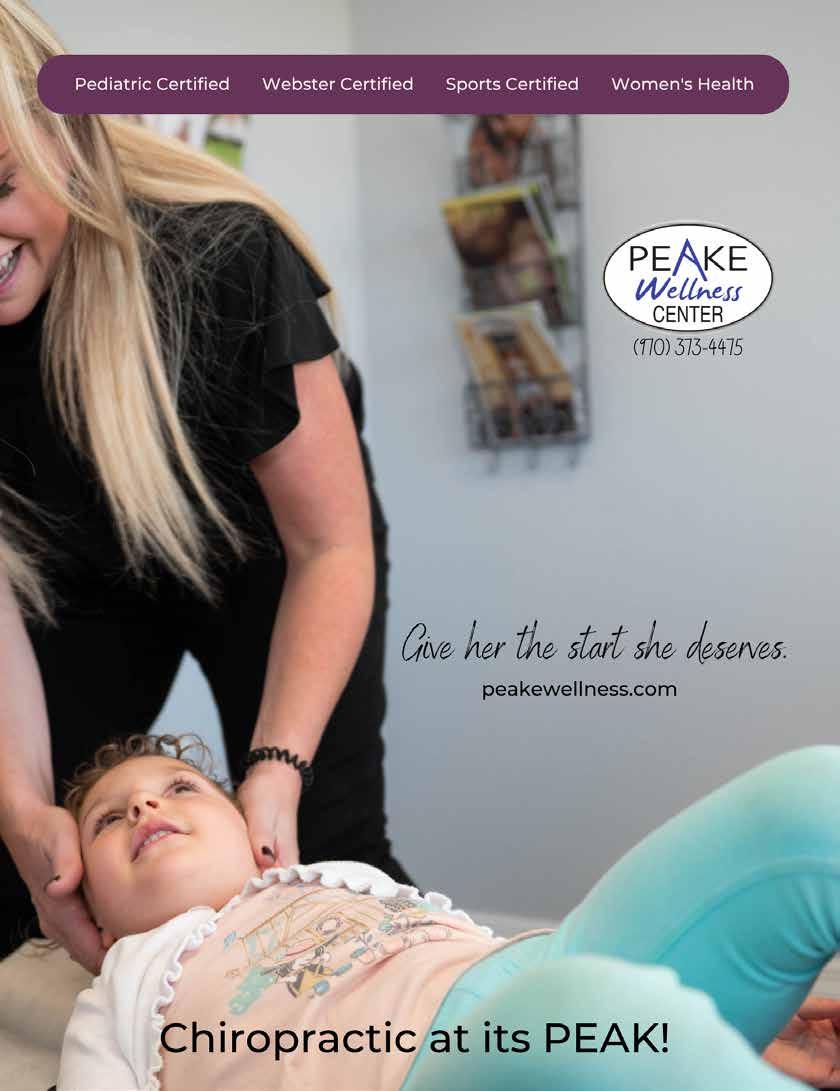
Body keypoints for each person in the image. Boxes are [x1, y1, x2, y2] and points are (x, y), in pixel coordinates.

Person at [0, 0, 411, 977]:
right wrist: (19, 807)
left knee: (329, 850)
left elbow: (331, 546)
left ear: (65, 142)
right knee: (31, 878)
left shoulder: (225, 261)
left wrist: (278, 768)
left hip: (278, 556)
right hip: (67, 574)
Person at [55, 732, 840, 1090]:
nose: (145, 805)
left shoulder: (331, 875)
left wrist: (713, 1023)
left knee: (811, 799)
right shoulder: (125, 982)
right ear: (100, 919)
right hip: (438, 1069)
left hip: (540, 970)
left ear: (252, 836)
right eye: (109, 819)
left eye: (180, 787)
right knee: (591, 1010)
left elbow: (466, 953)